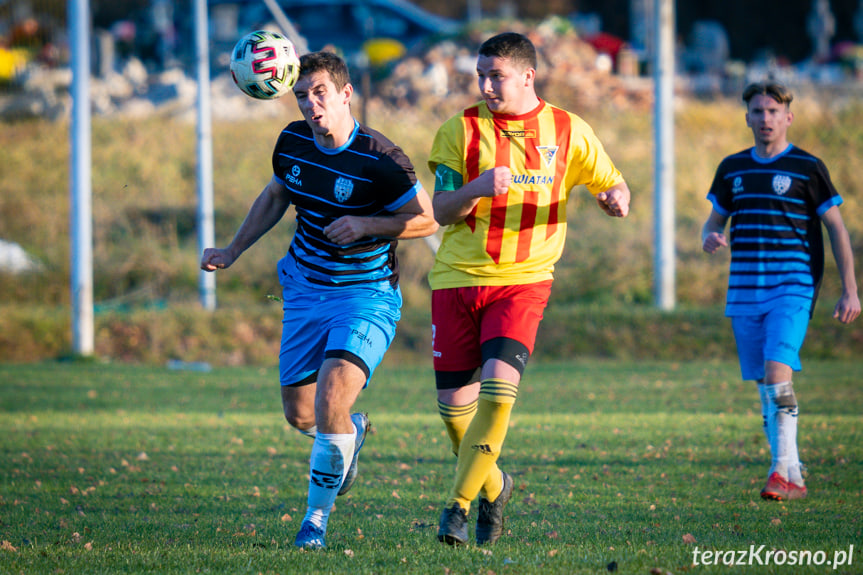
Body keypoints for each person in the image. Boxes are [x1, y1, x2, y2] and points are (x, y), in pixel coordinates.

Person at [200, 51, 437, 549]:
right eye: (302, 95)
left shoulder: (382, 160)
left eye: (320, 93)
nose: (311, 104)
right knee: (301, 415)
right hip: (306, 290)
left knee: (331, 397)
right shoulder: (291, 142)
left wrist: (369, 224)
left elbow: (427, 219)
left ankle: (314, 523)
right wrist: (232, 249)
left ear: (345, 93)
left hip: (366, 295)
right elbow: (274, 196)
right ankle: (350, 433)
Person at [427, 32, 631, 546]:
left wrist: (616, 198)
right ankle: (496, 486)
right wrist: (477, 188)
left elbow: (613, 180)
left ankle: (457, 506)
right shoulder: (460, 130)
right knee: (456, 416)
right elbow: (441, 210)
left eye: (496, 75)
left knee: (498, 395)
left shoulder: (567, 130)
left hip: (525, 282)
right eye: (481, 75)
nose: (486, 85)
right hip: (457, 279)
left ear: (526, 76)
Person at [702, 80, 860, 501]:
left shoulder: (808, 168)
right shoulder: (732, 169)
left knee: (776, 375)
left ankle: (779, 471)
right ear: (747, 117)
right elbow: (713, 222)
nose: (765, 118)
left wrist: (850, 290)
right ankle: (793, 474)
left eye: (773, 111)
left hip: (793, 286)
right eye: (758, 111)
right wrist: (710, 237)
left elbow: (838, 231)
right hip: (744, 291)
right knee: (764, 386)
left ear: (788, 117)